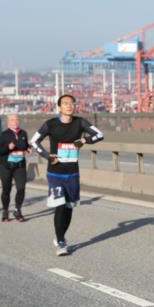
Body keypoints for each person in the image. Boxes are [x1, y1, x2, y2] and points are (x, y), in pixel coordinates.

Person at [31, 94, 104, 255]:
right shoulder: (50, 124)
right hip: (55, 173)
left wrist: (85, 140)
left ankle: (60, 236)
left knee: (69, 207)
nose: (69, 106)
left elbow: (99, 135)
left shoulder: (80, 122)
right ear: (59, 107)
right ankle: (61, 243)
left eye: (71, 103)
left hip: (72, 173)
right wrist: (47, 156)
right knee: (60, 206)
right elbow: (34, 141)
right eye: (65, 103)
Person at [0, 113, 31, 222]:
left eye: (17, 119)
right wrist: (7, 147)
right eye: (13, 120)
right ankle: (5, 211)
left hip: (20, 165)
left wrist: (28, 148)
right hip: (6, 166)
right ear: (8, 122)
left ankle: (18, 210)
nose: (15, 122)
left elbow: (25, 145)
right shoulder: (4, 135)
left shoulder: (23, 133)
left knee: (21, 188)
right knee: (6, 190)